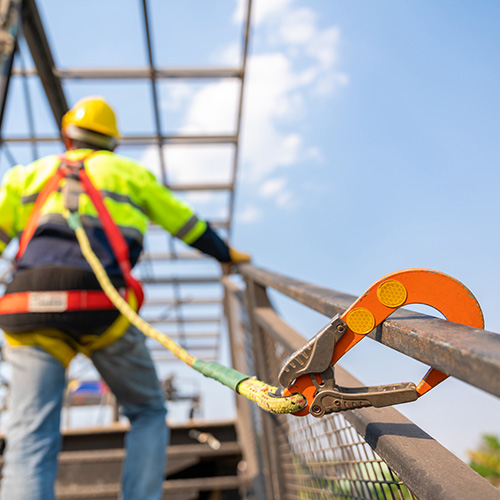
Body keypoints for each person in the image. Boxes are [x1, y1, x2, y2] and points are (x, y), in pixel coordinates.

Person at [0, 96, 250, 500]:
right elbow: (187, 225)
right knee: (149, 411)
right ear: (113, 144)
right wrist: (228, 255)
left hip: (25, 306)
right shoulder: (130, 174)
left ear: (68, 135)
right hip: (100, 306)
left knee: (29, 432)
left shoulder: (26, 175)